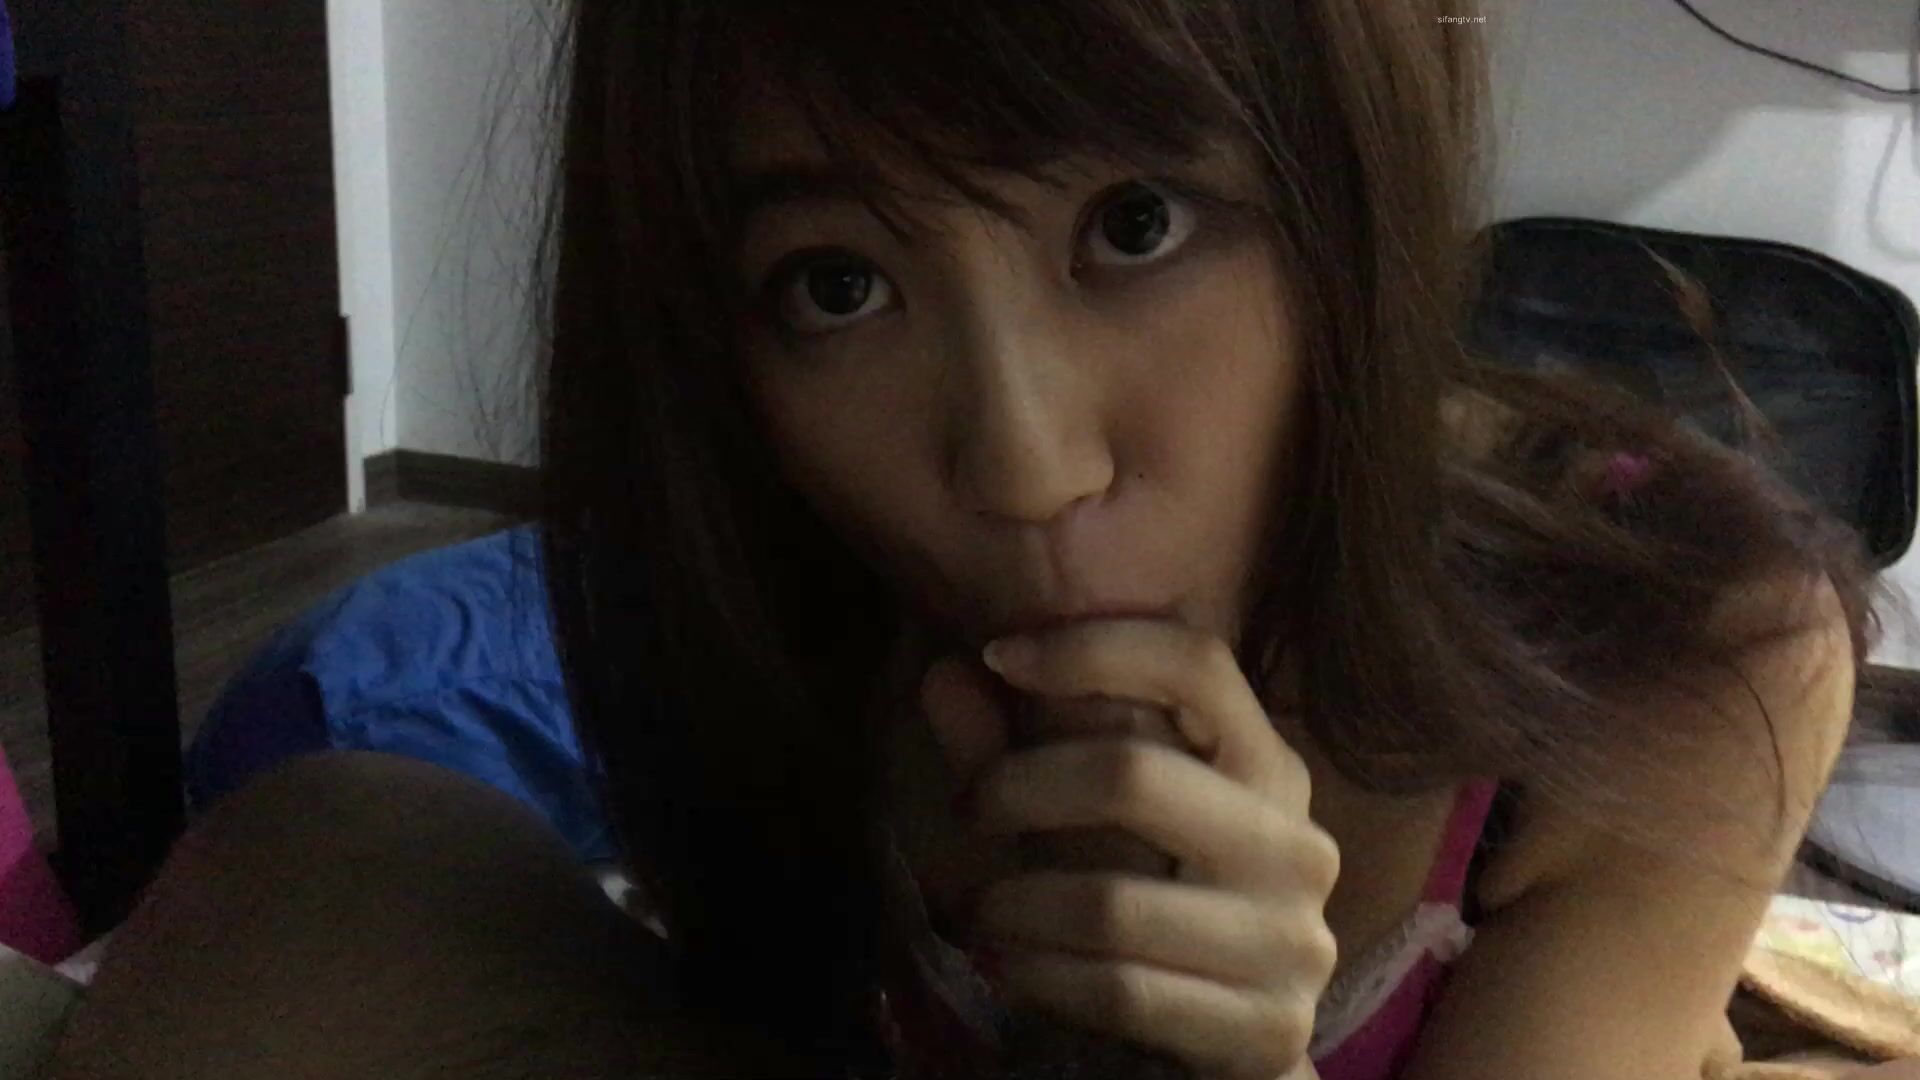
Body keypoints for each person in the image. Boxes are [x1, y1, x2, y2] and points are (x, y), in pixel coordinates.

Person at [40, 1, 1920, 1078]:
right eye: (837, 283)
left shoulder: (1687, 653)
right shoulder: (774, 579)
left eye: (1134, 225)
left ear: (1348, 185)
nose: (1020, 467)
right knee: (343, 845)